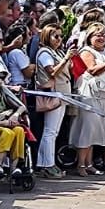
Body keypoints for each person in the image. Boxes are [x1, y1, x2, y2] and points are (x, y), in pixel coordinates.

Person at [72, 24, 105, 176]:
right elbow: (92, 70)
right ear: (90, 37)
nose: (101, 38)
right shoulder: (86, 51)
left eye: (104, 35)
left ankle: (89, 163)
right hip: (89, 95)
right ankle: (80, 165)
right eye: (98, 35)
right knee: (87, 129)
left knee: (97, 131)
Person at [32, 25, 70, 180]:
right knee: (50, 131)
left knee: (54, 131)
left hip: (61, 95)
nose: (59, 40)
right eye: (56, 36)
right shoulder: (45, 53)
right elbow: (52, 71)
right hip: (52, 95)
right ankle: (47, 165)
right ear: (47, 37)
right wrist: (67, 58)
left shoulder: (57, 51)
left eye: (61, 36)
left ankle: (47, 163)